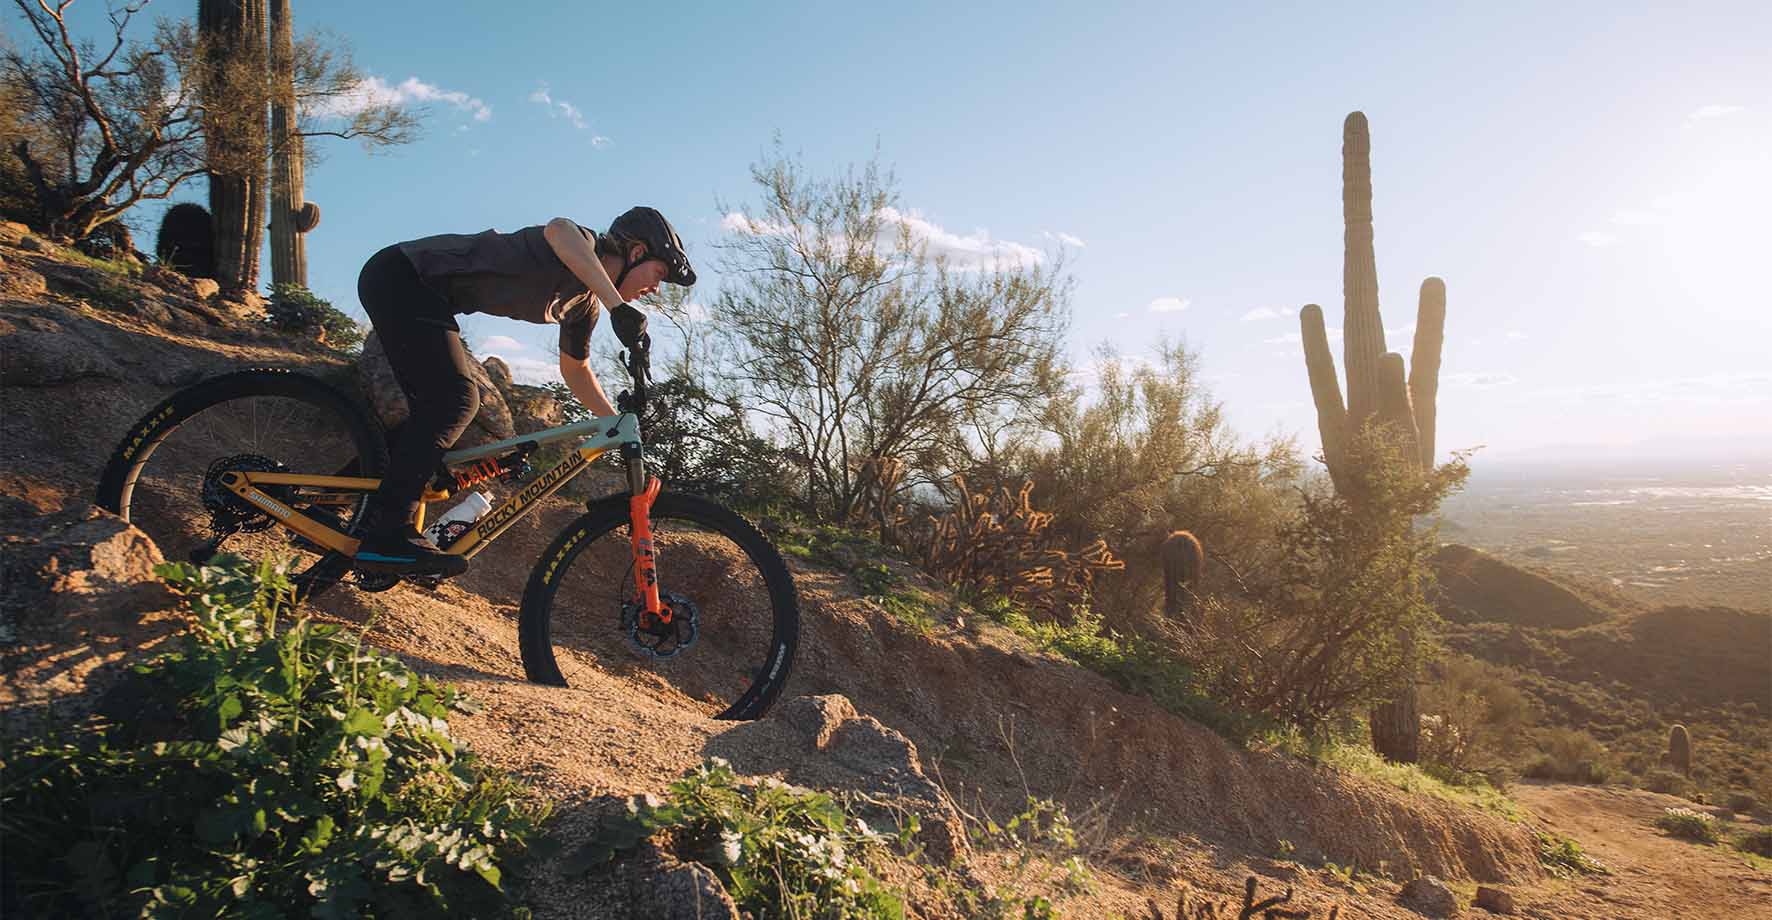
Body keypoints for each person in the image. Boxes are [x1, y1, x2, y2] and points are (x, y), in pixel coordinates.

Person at [351, 206, 695, 575]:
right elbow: (559, 230)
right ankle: (386, 535)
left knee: (428, 422)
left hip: (426, 298)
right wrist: (617, 307)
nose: (657, 288)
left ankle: (339, 503)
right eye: (659, 274)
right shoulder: (581, 244)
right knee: (456, 400)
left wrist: (615, 424)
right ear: (637, 252)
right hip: (402, 276)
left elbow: (575, 370)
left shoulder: (583, 307)